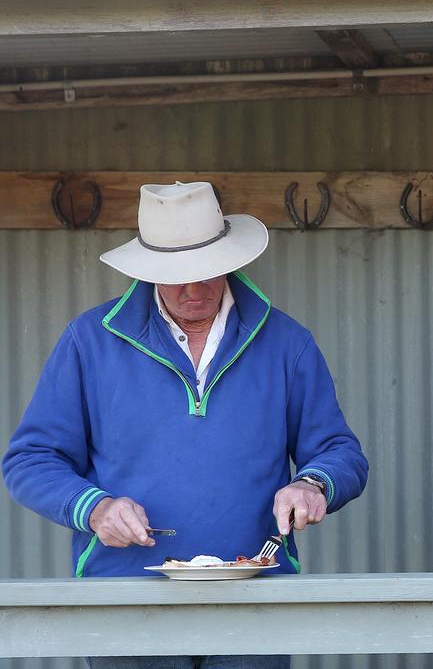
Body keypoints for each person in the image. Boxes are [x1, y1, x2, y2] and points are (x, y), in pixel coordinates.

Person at [3, 181, 369, 668]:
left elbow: (341, 452)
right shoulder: (89, 341)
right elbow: (30, 460)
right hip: (125, 603)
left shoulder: (286, 342)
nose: (193, 289)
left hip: (256, 603)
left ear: (230, 260)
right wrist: (94, 509)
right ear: (147, 270)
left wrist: (313, 483)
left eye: (206, 271)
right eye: (174, 275)